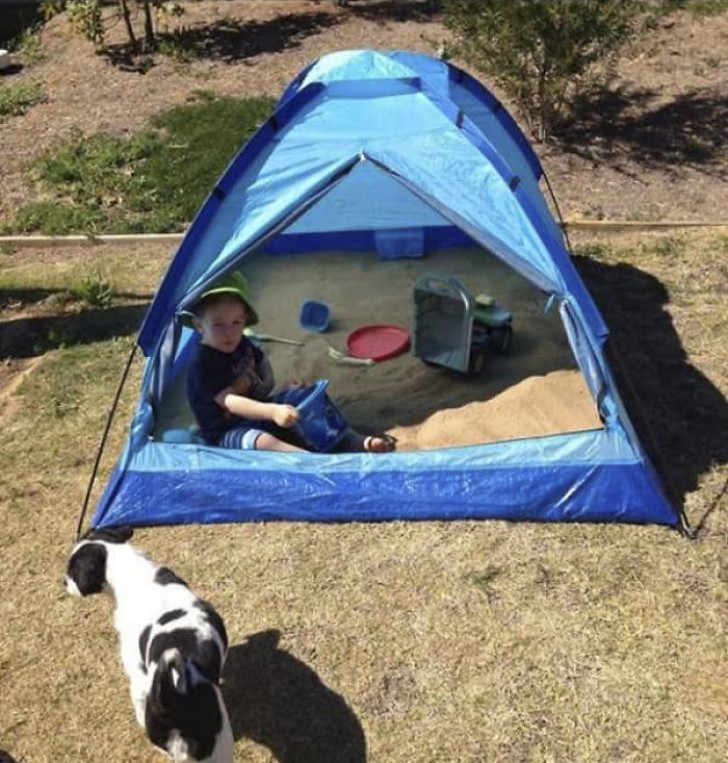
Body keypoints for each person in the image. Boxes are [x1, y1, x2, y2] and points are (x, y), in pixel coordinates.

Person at [183, 271, 395, 454]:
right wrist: (272, 412)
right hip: (227, 431)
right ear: (199, 325)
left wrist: (268, 380)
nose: (229, 332)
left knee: (303, 395)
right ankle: (308, 462)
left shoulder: (240, 341)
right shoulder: (204, 362)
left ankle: (351, 440)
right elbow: (231, 402)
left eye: (236, 322)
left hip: (261, 409)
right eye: (218, 325)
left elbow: (260, 358)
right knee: (262, 442)